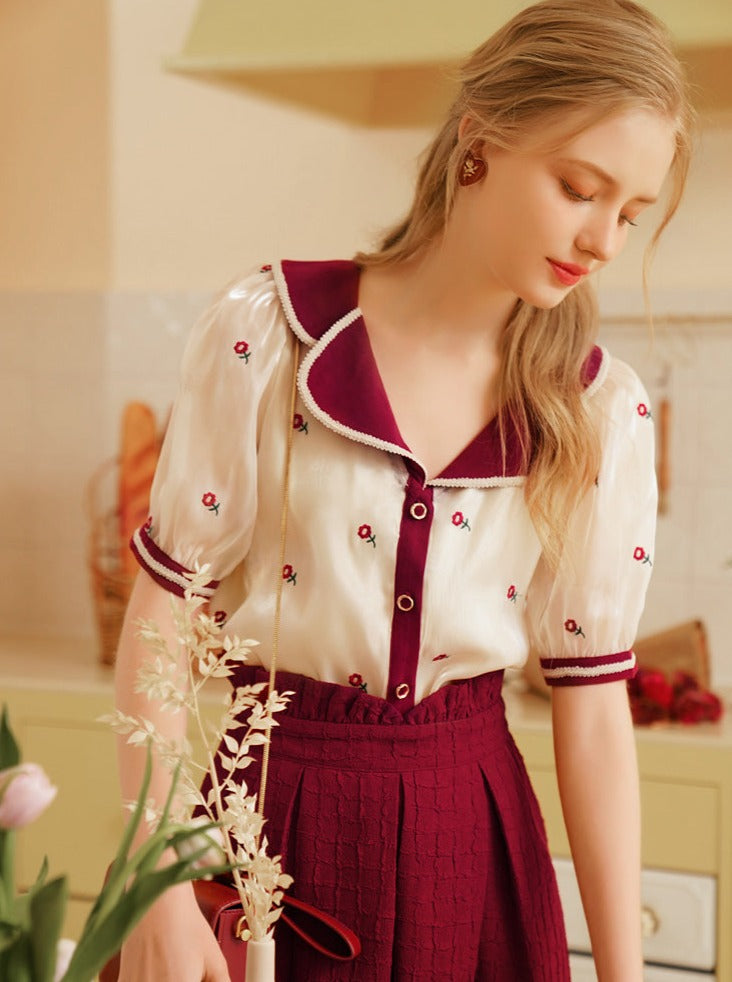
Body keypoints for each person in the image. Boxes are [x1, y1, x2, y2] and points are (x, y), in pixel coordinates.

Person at [114, 1, 694, 979]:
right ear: (481, 136)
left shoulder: (597, 411)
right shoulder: (270, 334)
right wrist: (158, 883)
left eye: (630, 214)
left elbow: (591, 713)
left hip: (469, 834)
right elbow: (163, 627)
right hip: (263, 819)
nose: (603, 241)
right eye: (578, 188)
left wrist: (621, 972)